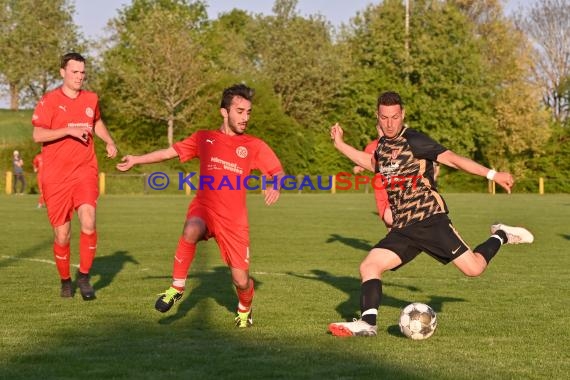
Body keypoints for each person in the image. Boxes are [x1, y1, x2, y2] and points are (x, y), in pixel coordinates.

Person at [327, 91, 534, 337]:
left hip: (430, 220)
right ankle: (367, 324)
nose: (390, 123)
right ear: (378, 117)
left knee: (474, 269)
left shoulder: (414, 140)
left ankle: (501, 234)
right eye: (385, 118)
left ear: (402, 115)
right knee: (369, 265)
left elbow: (453, 160)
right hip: (403, 227)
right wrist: (340, 145)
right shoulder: (383, 145)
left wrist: (492, 175)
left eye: (395, 117)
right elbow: (373, 164)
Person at [116, 84, 285, 328]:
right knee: (191, 229)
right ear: (224, 112)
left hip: (234, 221)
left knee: (241, 280)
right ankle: (176, 287)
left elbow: (278, 171)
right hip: (205, 208)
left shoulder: (253, 145)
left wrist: (275, 185)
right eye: (240, 111)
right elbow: (168, 152)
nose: (245, 117)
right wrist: (136, 159)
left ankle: (245, 309)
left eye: (248, 112)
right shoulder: (204, 138)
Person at [32, 52, 118, 300]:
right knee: (62, 234)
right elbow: (38, 135)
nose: (80, 77)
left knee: (89, 221)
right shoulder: (49, 100)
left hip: (85, 170)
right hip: (56, 176)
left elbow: (96, 123)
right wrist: (69, 131)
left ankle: (83, 276)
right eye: (74, 72)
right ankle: (65, 280)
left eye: (82, 72)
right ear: (63, 72)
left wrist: (109, 141)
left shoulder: (91, 99)